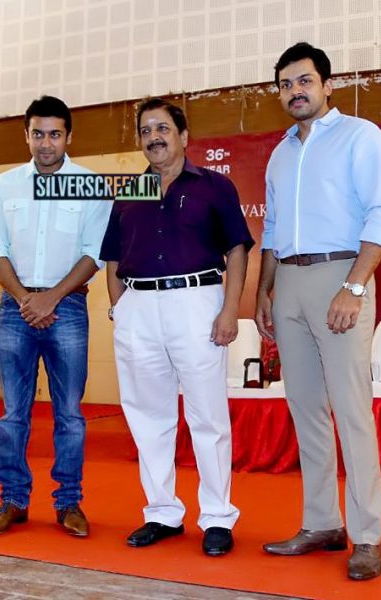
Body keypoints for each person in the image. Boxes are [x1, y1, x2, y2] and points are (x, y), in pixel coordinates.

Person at [255, 43, 381, 581]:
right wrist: (263, 293)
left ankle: (367, 537)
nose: (295, 91)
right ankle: (322, 523)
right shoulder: (279, 154)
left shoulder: (362, 137)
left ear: (327, 85)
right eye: (286, 84)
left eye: (304, 81)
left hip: (341, 277)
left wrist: (355, 287)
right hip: (288, 283)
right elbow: (271, 231)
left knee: (352, 413)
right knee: (306, 411)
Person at [100, 98, 253, 557]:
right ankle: (162, 512)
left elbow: (238, 251)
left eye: (163, 128)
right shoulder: (130, 191)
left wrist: (230, 311)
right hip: (139, 308)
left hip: (197, 303)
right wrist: (119, 309)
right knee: (149, 418)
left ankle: (217, 517)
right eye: (146, 131)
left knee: (207, 416)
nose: (154, 137)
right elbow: (111, 258)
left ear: (184, 136)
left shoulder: (214, 187)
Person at [0, 95, 112, 539]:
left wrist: (51, 298)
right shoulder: (6, 185)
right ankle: (12, 501)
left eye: (55, 134)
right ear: (27, 136)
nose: (46, 143)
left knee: (69, 415)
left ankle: (68, 503)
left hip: (67, 308)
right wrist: (24, 298)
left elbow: (96, 253)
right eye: (38, 134)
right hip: (17, 309)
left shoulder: (90, 185)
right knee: (13, 414)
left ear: (69, 137)